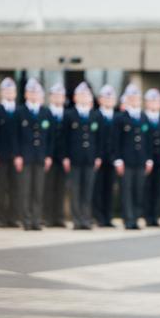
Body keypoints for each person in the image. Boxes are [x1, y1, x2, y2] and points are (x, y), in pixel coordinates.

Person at [63, 82, 101, 230]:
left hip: (90, 157)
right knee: (76, 189)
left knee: (87, 189)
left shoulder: (95, 115)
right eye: (81, 95)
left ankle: (86, 218)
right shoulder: (69, 115)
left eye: (87, 95)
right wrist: (65, 156)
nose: (84, 98)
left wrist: (98, 156)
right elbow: (64, 137)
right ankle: (77, 219)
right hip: (74, 157)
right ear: (75, 97)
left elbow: (99, 138)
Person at [113, 84, 152, 230]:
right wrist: (118, 160)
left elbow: (148, 140)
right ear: (127, 99)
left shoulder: (143, 117)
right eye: (132, 97)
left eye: (137, 98)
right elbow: (116, 141)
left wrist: (149, 159)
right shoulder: (121, 118)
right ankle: (128, 219)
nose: (135, 100)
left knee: (138, 190)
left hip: (141, 160)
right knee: (127, 191)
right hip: (126, 160)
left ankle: (135, 218)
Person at [15, 79, 52, 230]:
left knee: (38, 189)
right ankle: (26, 219)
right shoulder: (20, 112)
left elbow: (51, 137)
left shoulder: (45, 112)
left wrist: (49, 155)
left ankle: (36, 219)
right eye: (31, 92)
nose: (34, 95)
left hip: (40, 156)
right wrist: (17, 155)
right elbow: (15, 136)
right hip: (25, 156)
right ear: (26, 94)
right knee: (26, 189)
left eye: (37, 92)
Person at [0, 77, 20, 227]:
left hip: (16, 157)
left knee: (15, 188)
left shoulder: (19, 111)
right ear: (2, 93)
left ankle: (13, 218)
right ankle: (1, 217)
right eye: (6, 90)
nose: (9, 93)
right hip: (1, 156)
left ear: (15, 93)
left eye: (12, 91)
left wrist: (19, 155)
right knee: (0, 188)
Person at [92, 85, 119, 228]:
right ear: (100, 100)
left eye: (111, 98)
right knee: (98, 188)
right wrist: (96, 156)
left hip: (112, 159)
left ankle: (108, 217)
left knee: (109, 189)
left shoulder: (117, 117)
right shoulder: (95, 115)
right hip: (99, 159)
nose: (109, 100)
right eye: (106, 97)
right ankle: (99, 216)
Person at [42, 82, 67, 227]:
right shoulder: (45, 113)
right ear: (50, 97)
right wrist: (47, 155)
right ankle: (47, 216)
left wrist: (66, 157)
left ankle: (59, 217)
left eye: (61, 95)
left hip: (63, 158)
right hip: (48, 157)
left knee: (61, 188)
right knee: (48, 187)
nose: (58, 98)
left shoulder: (68, 114)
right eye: (55, 95)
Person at [142, 88, 160, 227]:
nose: (154, 103)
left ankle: (155, 216)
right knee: (147, 188)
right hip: (146, 159)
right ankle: (147, 216)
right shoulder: (142, 118)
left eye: (157, 101)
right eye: (152, 101)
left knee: (159, 189)